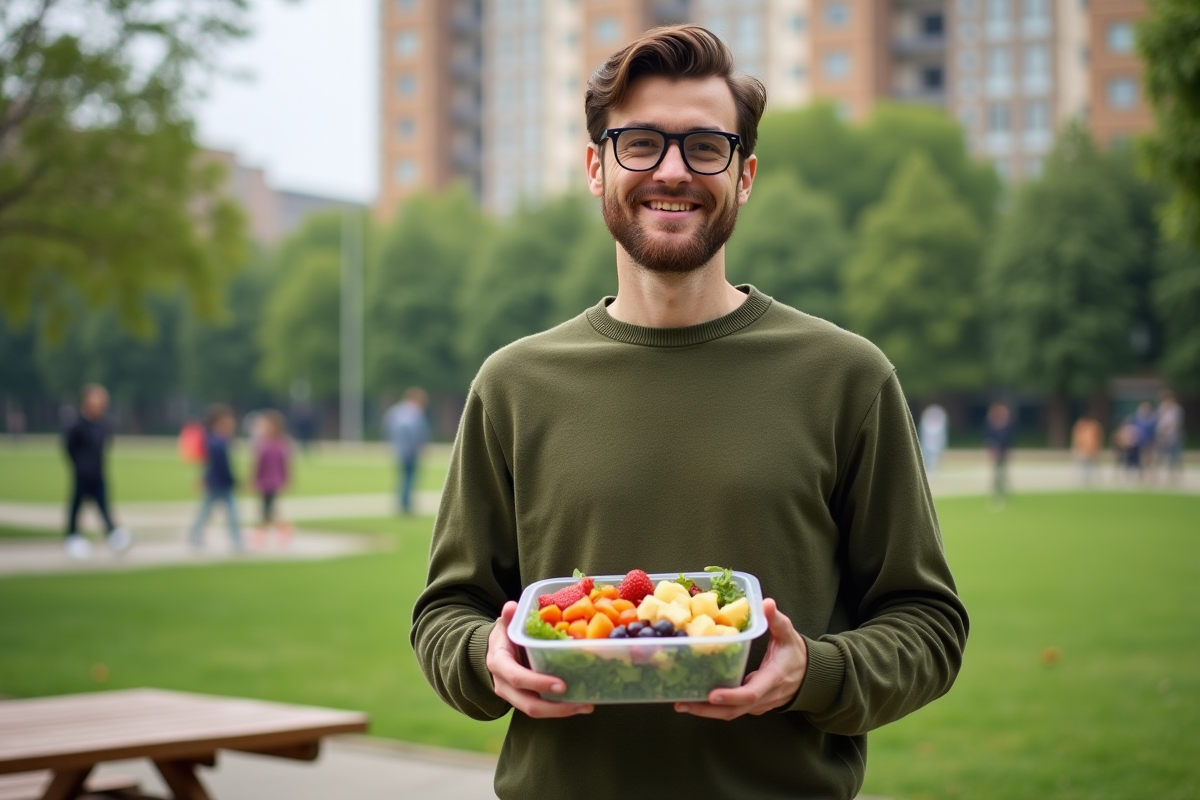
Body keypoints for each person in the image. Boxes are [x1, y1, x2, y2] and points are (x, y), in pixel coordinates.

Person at [411, 26, 967, 800]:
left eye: (706, 146)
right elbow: (447, 612)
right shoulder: (514, 384)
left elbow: (928, 626)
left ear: (744, 175)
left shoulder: (846, 377)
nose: (672, 170)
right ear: (594, 166)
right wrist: (486, 657)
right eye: (639, 143)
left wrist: (814, 670)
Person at [62, 384, 132, 558]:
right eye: (98, 398)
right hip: (82, 473)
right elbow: (69, 448)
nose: (102, 403)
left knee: (103, 505)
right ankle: (72, 537)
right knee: (77, 505)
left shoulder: (103, 425)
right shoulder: (77, 425)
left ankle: (113, 535)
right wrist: (80, 465)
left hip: (98, 472)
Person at [188, 404, 243, 551]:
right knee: (228, 514)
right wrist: (234, 481)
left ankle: (194, 537)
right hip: (220, 483)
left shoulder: (216, 440)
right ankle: (237, 541)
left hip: (216, 482)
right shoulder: (217, 442)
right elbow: (222, 467)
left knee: (207, 512)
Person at [383, 388, 430, 515]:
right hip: (410, 449)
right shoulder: (415, 412)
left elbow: (388, 427)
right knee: (410, 477)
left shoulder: (396, 411)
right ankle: (406, 503)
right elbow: (416, 432)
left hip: (399, 448)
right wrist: (416, 446)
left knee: (403, 476)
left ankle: (403, 501)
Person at [252, 409, 292, 548]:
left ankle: (262, 532)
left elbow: (285, 464)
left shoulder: (281, 443)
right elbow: (257, 465)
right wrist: (253, 479)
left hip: (273, 481)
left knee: (267, 508)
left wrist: (287, 480)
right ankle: (279, 529)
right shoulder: (262, 443)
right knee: (269, 508)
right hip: (264, 481)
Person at [984, 401, 1015, 505]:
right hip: (996, 451)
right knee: (997, 472)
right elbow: (988, 438)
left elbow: (1009, 439)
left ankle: (1002, 490)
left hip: (1004, 451)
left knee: (1002, 472)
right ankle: (997, 490)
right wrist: (992, 449)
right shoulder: (992, 424)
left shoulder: (1007, 425)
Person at [1156, 390, 1185, 481]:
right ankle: (1164, 474)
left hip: (1174, 436)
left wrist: (1166, 428)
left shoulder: (1177, 409)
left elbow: (1176, 423)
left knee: (1175, 456)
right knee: (1163, 456)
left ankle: (1176, 475)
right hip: (1163, 437)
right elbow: (1159, 422)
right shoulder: (1161, 409)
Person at [1071, 414, 1104, 485]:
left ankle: (1092, 481)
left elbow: (1097, 439)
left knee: (1091, 466)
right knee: (1083, 466)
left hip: (1091, 449)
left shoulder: (1094, 427)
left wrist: (1096, 449)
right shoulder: (1081, 426)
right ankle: (1084, 481)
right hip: (1083, 450)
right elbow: (1077, 439)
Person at [919, 403, 949, 473]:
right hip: (927, 444)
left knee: (935, 458)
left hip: (935, 444)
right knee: (927, 458)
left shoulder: (937, 425)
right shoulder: (927, 425)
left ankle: (933, 470)